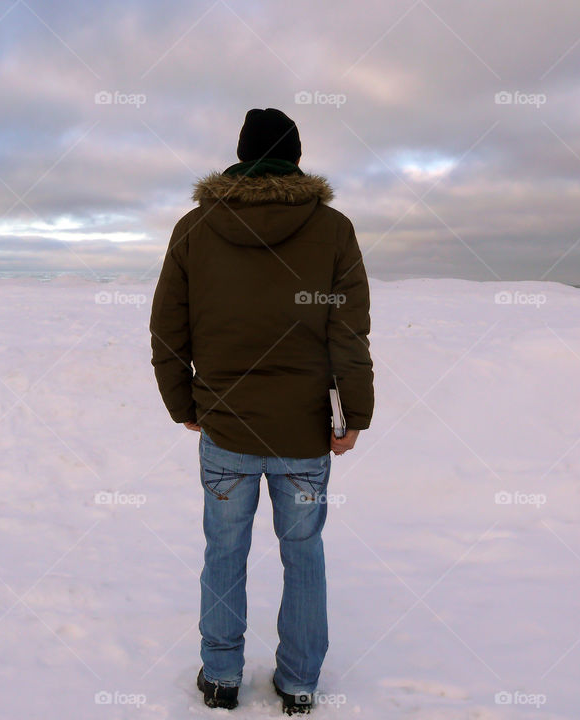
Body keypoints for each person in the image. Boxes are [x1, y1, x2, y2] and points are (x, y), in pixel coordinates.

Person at [149, 108, 374, 714]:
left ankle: (221, 676)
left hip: (225, 427)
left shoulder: (195, 228)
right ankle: (299, 682)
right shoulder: (333, 229)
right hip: (302, 433)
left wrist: (184, 405)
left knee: (224, 551)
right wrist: (354, 413)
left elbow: (167, 329)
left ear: (241, 158)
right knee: (304, 554)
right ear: (295, 160)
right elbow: (347, 331)